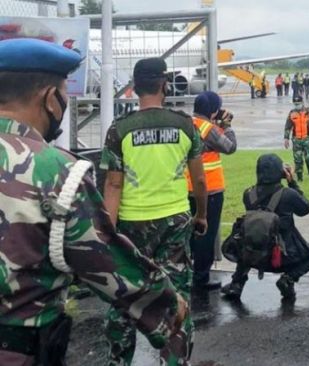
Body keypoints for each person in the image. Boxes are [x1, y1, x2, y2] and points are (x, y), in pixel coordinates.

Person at [0, 38, 188, 366]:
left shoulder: (120, 129)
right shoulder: (54, 170)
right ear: (49, 98)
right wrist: (169, 307)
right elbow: (105, 263)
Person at [101, 57, 208, 365]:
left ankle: (119, 360)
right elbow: (199, 180)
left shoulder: (119, 130)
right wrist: (200, 214)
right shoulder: (184, 125)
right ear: (164, 84)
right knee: (176, 296)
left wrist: (109, 233)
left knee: (125, 296)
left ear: (134, 88)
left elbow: (113, 185)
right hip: (175, 221)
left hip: (132, 225)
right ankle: (173, 361)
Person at [221, 154, 309, 300]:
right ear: (280, 172)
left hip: (253, 256)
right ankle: (288, 279)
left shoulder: (248, 194)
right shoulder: (289, 195)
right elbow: (305, 209)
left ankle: (237, 283)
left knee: (249, 238)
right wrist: (292, 182)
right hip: (283, 258)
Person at [187, 92, 237, 291]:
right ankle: (201, 277)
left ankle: (188, 272)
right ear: (214, 110)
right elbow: (230, 147)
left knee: (188, 234)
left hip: (185, 187)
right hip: (209, 189)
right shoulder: (208, 128)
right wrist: (227, 126)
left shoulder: (187, 123)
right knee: (206, 234)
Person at [284, 95, 309, 181]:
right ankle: (300, 178)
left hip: (307, 138)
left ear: (302, 103)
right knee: (298, 160)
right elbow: (288, 127)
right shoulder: (292, 113)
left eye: (298, 103)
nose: (297, 105)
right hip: (296, 140)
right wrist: (286, 138)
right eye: (295, 104)